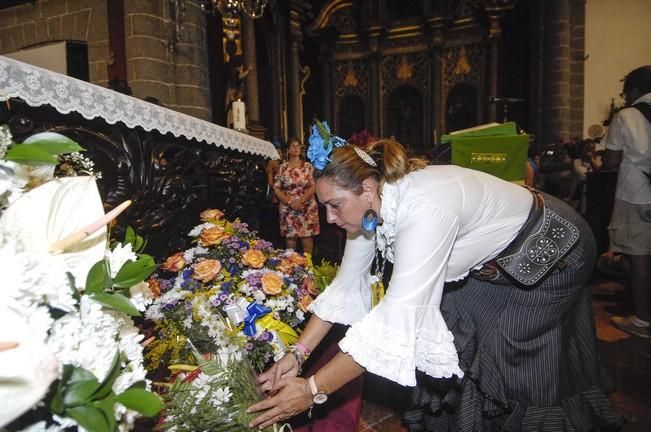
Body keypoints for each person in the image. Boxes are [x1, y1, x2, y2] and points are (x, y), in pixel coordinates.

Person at [248, 135, 622, 431]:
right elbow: (345, 289)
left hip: (554, 246)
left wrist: (314, 390)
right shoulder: (366, 213)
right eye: (323, 206)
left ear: (366, 187)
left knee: (516, 350)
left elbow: (398, 319)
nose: (329, 218)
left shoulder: (423, 207)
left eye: (334, 205)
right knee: (460, 330)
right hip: (494, 262)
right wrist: (296, 356)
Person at [602, 65, 651, 339]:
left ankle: (643, 321)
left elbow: (611, 160)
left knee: (640, 256)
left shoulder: (628, 116)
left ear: (633, 90)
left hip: (638, 194)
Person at [273, 138, 320, 255]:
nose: (296, 148)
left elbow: (314, 186)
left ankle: (309, 267)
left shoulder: (308, 166)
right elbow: (276, 188)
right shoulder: (283, 168)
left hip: (307, 206)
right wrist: (290, 202)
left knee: (307, 236)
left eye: (298, 146)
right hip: (287, 206)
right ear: (288, 150)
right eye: (293, 146)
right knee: (290, 237)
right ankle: (291, 267)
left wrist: (302, 201)